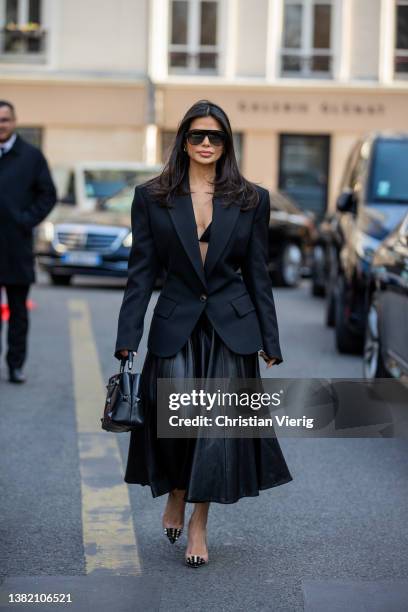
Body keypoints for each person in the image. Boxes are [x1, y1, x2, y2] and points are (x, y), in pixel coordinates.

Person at [114, 99, 293, 568]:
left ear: (227, 143)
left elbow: (258, 274)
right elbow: (141, 273)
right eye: (198, 136)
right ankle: (175, 491)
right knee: (173, 425)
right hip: (175, 324)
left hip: (231, 329)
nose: (207, 144)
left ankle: (198, 523)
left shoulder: (251, 198)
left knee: (215, 432)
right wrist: (127, 336)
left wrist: (270, 342)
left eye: (216, 137)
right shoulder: (152, 197)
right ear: (184, 141)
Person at [0, 100, 57, 383]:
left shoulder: (31, 157)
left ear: (14, 121)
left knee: (18, 313)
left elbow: (48, 194)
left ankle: (15, 365)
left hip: (16, 247)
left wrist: (25, 219)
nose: (1, 125)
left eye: (5, 120)